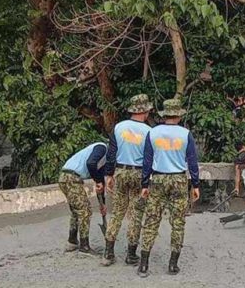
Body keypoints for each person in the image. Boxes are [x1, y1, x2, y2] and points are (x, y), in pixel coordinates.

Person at [138, 99, 200, 277]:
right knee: (178, 222)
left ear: (164, 114)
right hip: (179, 180)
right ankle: (173, 264)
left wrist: (144, 184)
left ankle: (143, 264)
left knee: (151, 220)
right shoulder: (186, 134)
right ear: (179, 115)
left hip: (157, 178)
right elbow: (192, 162)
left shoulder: (153, 132)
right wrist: (195, 184)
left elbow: (147, 161)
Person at [101, 94, 153, 267]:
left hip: (121, 171)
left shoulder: (118, 128)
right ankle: (131, 254)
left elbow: (111, 154)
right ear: (144, 111)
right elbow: (148, 160)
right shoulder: (148, 132)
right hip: (138, 174)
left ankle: (108, 253)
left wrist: (109, 175)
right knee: (136, 214)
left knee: (117, 212)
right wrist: (146, 183)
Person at [59, 142, 108, 256]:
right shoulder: (101, 148)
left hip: (65, 177)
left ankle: (72, 242)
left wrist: (103, 204)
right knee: (85, 211)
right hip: (72, 178)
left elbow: (100, 183)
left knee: (76, 211)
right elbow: (90, 163)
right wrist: (98, 180)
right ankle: (84, 246)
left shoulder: (102, 161)